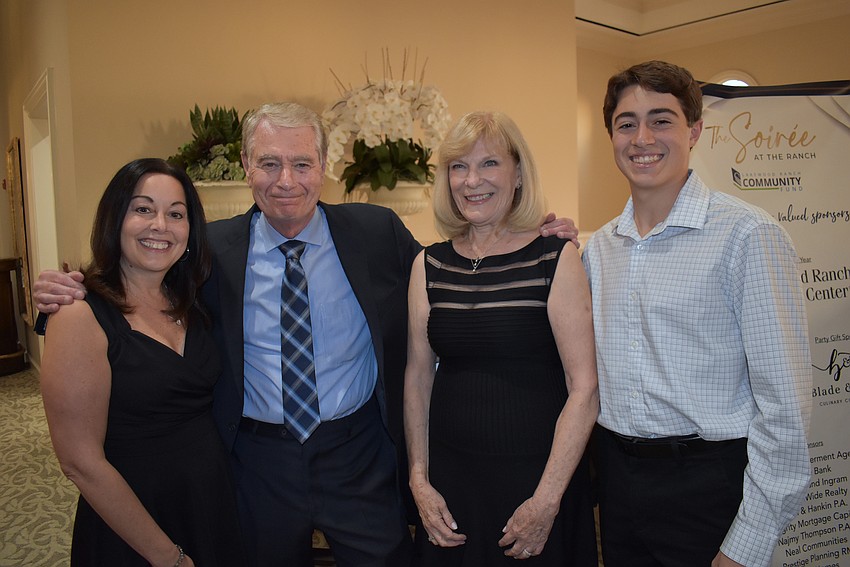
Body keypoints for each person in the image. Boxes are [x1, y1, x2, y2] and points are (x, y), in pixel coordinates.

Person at [34, 102, 579, 567]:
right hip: (255, 459)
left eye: (301, 163)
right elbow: (141, 293)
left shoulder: (376, 232)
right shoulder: (208, 251)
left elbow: (457, 287)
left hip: (359, 450)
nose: (286, 180)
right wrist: (68, 290)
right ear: (247, 166)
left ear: (325, 168)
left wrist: (532, 238)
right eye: (269, 163)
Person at [582, 60, 812, 567]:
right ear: (612, 137)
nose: (643, 138)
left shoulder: (747, 236)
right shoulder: (597, 250)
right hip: (619, 489)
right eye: (627, 123)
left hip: (709, 491)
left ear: (695, 130)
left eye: (661, 119)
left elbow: (786, 407)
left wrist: (747, 544)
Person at [404, 111, 599, 566]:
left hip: (537, 483)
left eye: (489, 164)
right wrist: (419, 479)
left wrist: (546, 500)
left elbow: (585, 389)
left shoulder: (555, 257)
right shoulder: (428, 266)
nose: (472, 180)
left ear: (517, 175)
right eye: (459, 166)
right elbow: (417, 378)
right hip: (451, 487)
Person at [39, 158, 245, 566]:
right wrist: (167, 556)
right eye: (143, 209)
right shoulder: (79, 314)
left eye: (176, 214)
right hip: (135, 525)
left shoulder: (194, 301)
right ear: (115, 219)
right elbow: (79, 462)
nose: (160, 226)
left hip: (210, 505)